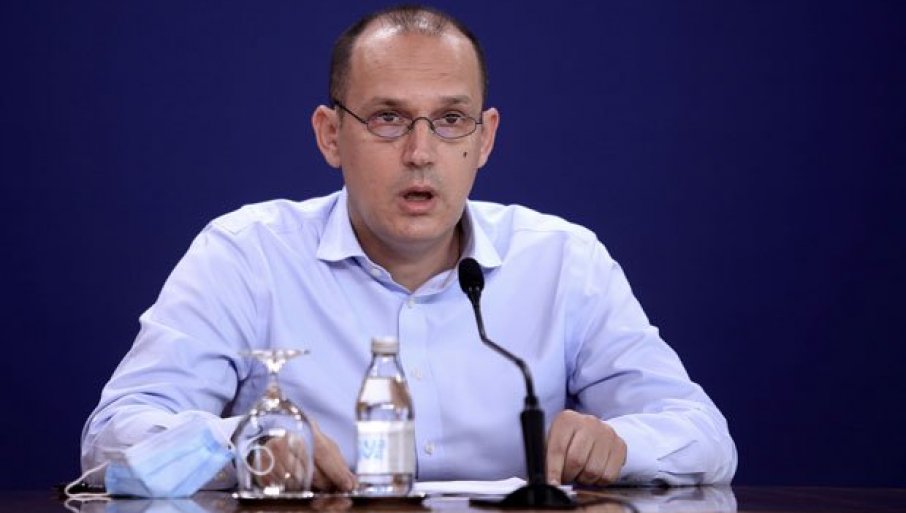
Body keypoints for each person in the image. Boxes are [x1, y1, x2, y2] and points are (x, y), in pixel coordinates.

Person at [81, 5, 737, 492]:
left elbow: (704, 434)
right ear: (330, 135)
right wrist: (242, 444)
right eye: (388, 118)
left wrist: (619, 443)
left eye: (450, 120)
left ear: (484, 139)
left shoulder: (564, 261)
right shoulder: (246, 256)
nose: (421, 153)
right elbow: (112, 438)